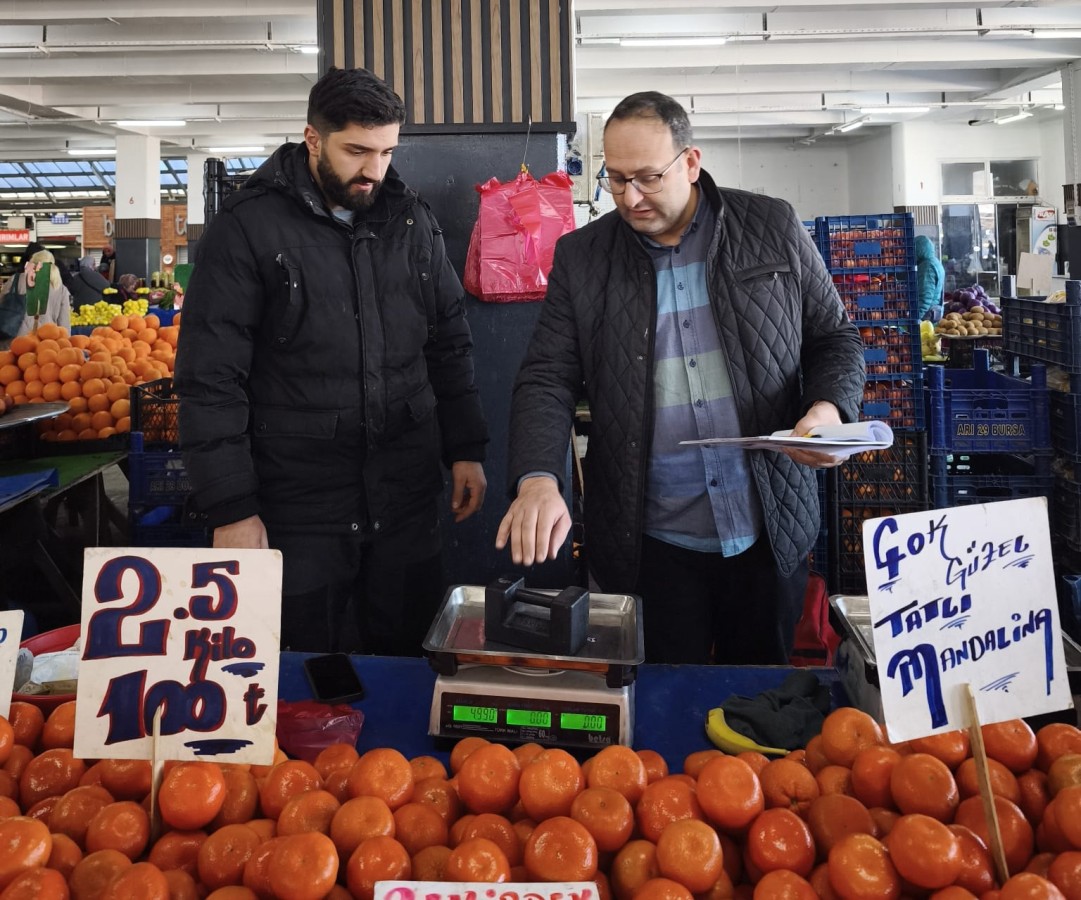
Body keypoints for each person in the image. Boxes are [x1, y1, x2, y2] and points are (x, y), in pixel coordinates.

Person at [496, 91, 865, 666]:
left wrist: (827, 409)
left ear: (690, 162)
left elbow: (834, 338)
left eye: (647, 177)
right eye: (615, 179)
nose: (629, 197)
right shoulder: (583, 258)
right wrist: (538, 478)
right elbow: (547, 377)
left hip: (766, 528)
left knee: (764, 703)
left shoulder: (771, 226)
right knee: (660, 713)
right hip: (648, 544)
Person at [174, 66, 489, 655]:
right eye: (357, 151)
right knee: (297, 677)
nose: (375, 170)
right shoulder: (246, 230)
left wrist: (465, 446)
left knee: (406, 663)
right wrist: (233, 507)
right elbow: (210, 378)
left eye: (388, 152)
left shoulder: (411, 222)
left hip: (403, 498)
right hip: (299, 509)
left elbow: (447, 341)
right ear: (313, 139)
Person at [3, 249, 72, 342]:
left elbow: (2, 304)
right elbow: (64, 323)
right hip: (46, 341)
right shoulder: (60, 288)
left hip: (16, 340)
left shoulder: (16, 279)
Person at [916, 235, 946, 322]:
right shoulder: (935, 262)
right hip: (935, 313)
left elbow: (925, 297)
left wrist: (916, 319)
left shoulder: (926, 267)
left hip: (927, 316)